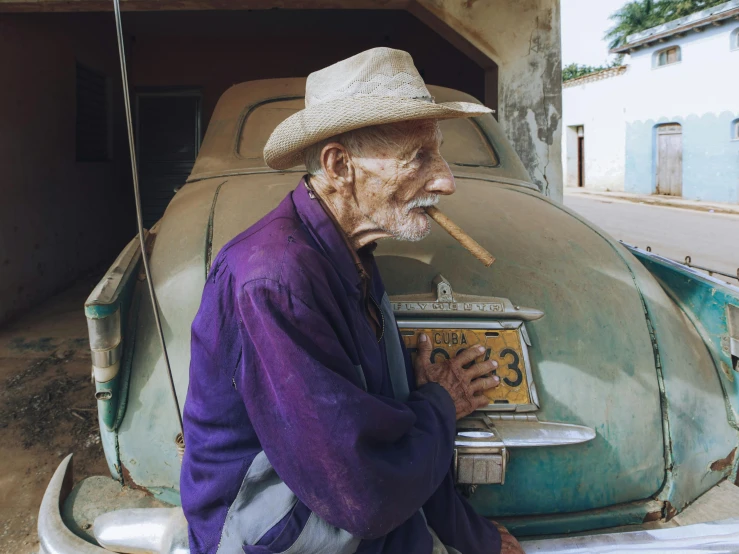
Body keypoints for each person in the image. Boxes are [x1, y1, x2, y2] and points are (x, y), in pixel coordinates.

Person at [181, 47, 524, 554]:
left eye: (440, 153)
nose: (446, 181)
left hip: (337, 494)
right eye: (419, 158)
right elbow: (361, 495)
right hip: (266, 528)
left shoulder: (351, 250)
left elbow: (380, 416)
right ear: (339, 165)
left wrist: (469, 535)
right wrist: (443, 403)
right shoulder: (275, 280)